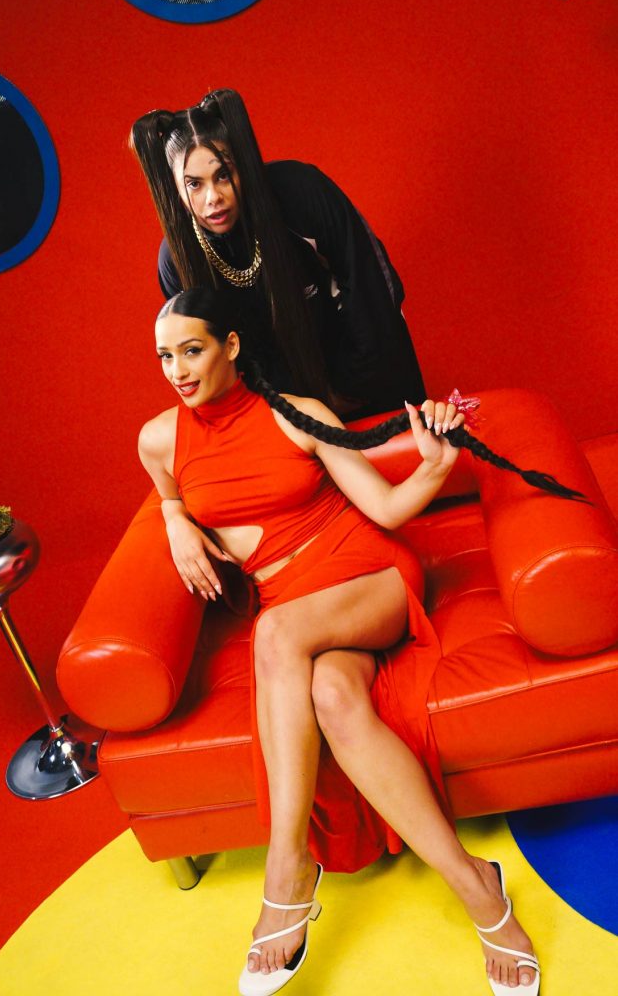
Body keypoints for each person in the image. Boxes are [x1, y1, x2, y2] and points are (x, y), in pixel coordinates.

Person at [138, 287, 555, 996]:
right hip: (299, 610)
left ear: (231, 346)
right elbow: (171, 493)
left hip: (367, 577)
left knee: (275, 633)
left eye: (192, 350)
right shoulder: (157, 440)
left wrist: (433, 465)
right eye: (164, 356)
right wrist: (175, 519)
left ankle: (288, 868)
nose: (177, 370)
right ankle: (477, 886)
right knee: (332, 697)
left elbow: (384, 508)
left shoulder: (297, 415)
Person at [130, 88, 425, 419]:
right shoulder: (176, 261)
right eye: (194, 184)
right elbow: (211, 359)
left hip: (370, 384)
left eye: (223, 175)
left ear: (242, 167)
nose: (213, 197)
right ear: (174, 188)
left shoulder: (300, 194)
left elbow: (371, 282)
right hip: (283, 417)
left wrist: (351, 388)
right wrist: (288, 415)